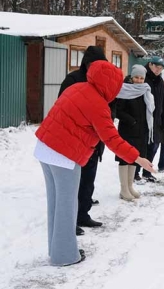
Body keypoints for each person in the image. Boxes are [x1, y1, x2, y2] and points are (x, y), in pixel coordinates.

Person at [34, 60, 155, 266]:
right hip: (63, 155)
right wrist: (138, 158)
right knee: (67, 205)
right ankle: (64, 255)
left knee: (56, 203)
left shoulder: (77, 88)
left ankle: (58, 249)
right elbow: (112, 139)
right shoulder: (98, 104)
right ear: (109, 84)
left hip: (45, 147)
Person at [58, 46, 112, 236]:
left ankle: (83, 215)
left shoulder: (104, 82)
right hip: (75, 142)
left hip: (95, 142)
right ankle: (69, 221)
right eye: (91, 64)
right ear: (85, 64)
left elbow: (109, 108)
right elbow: (63, 107)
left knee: (88, 181)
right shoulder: (73, 80)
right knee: (72, 185)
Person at [115, 64, 155, 201]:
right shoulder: (124, 90)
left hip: (141, 131)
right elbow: (118, 111)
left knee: (134, 158)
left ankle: (130, 186)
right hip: (127, 130)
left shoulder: (146, 91)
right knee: (124, 159)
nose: (139, 80)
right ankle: (123, 189)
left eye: (141, 78)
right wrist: (131, 121)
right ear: (132, 78)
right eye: (136, 77)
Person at [134, 56, 164, 183]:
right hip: (144, 119)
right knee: (141, 147)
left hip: (156, 120)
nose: (158, 70)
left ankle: (147, 172)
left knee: (153, 146)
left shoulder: (160, 81)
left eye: (161, 68)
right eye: (156, 67)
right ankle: (135, 172)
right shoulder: (144, 78)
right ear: (150, 65)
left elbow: (163, 101)